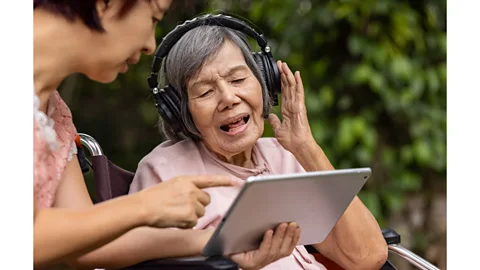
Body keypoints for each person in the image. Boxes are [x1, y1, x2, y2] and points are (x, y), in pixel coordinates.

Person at [33, 1, 299, 269]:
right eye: (153, 18)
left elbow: (85, 246)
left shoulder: (53, 110)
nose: (150, 44)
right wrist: (145, 206)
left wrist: (219, 243)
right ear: (107, 4)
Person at [129, 20, 389, 270]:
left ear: (263, 82)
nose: (229, 98)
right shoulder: (165, 171)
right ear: (180, 111)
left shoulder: (283, 156)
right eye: (206, 92)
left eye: (238, 80)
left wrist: (306, 148)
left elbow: (367, 257)